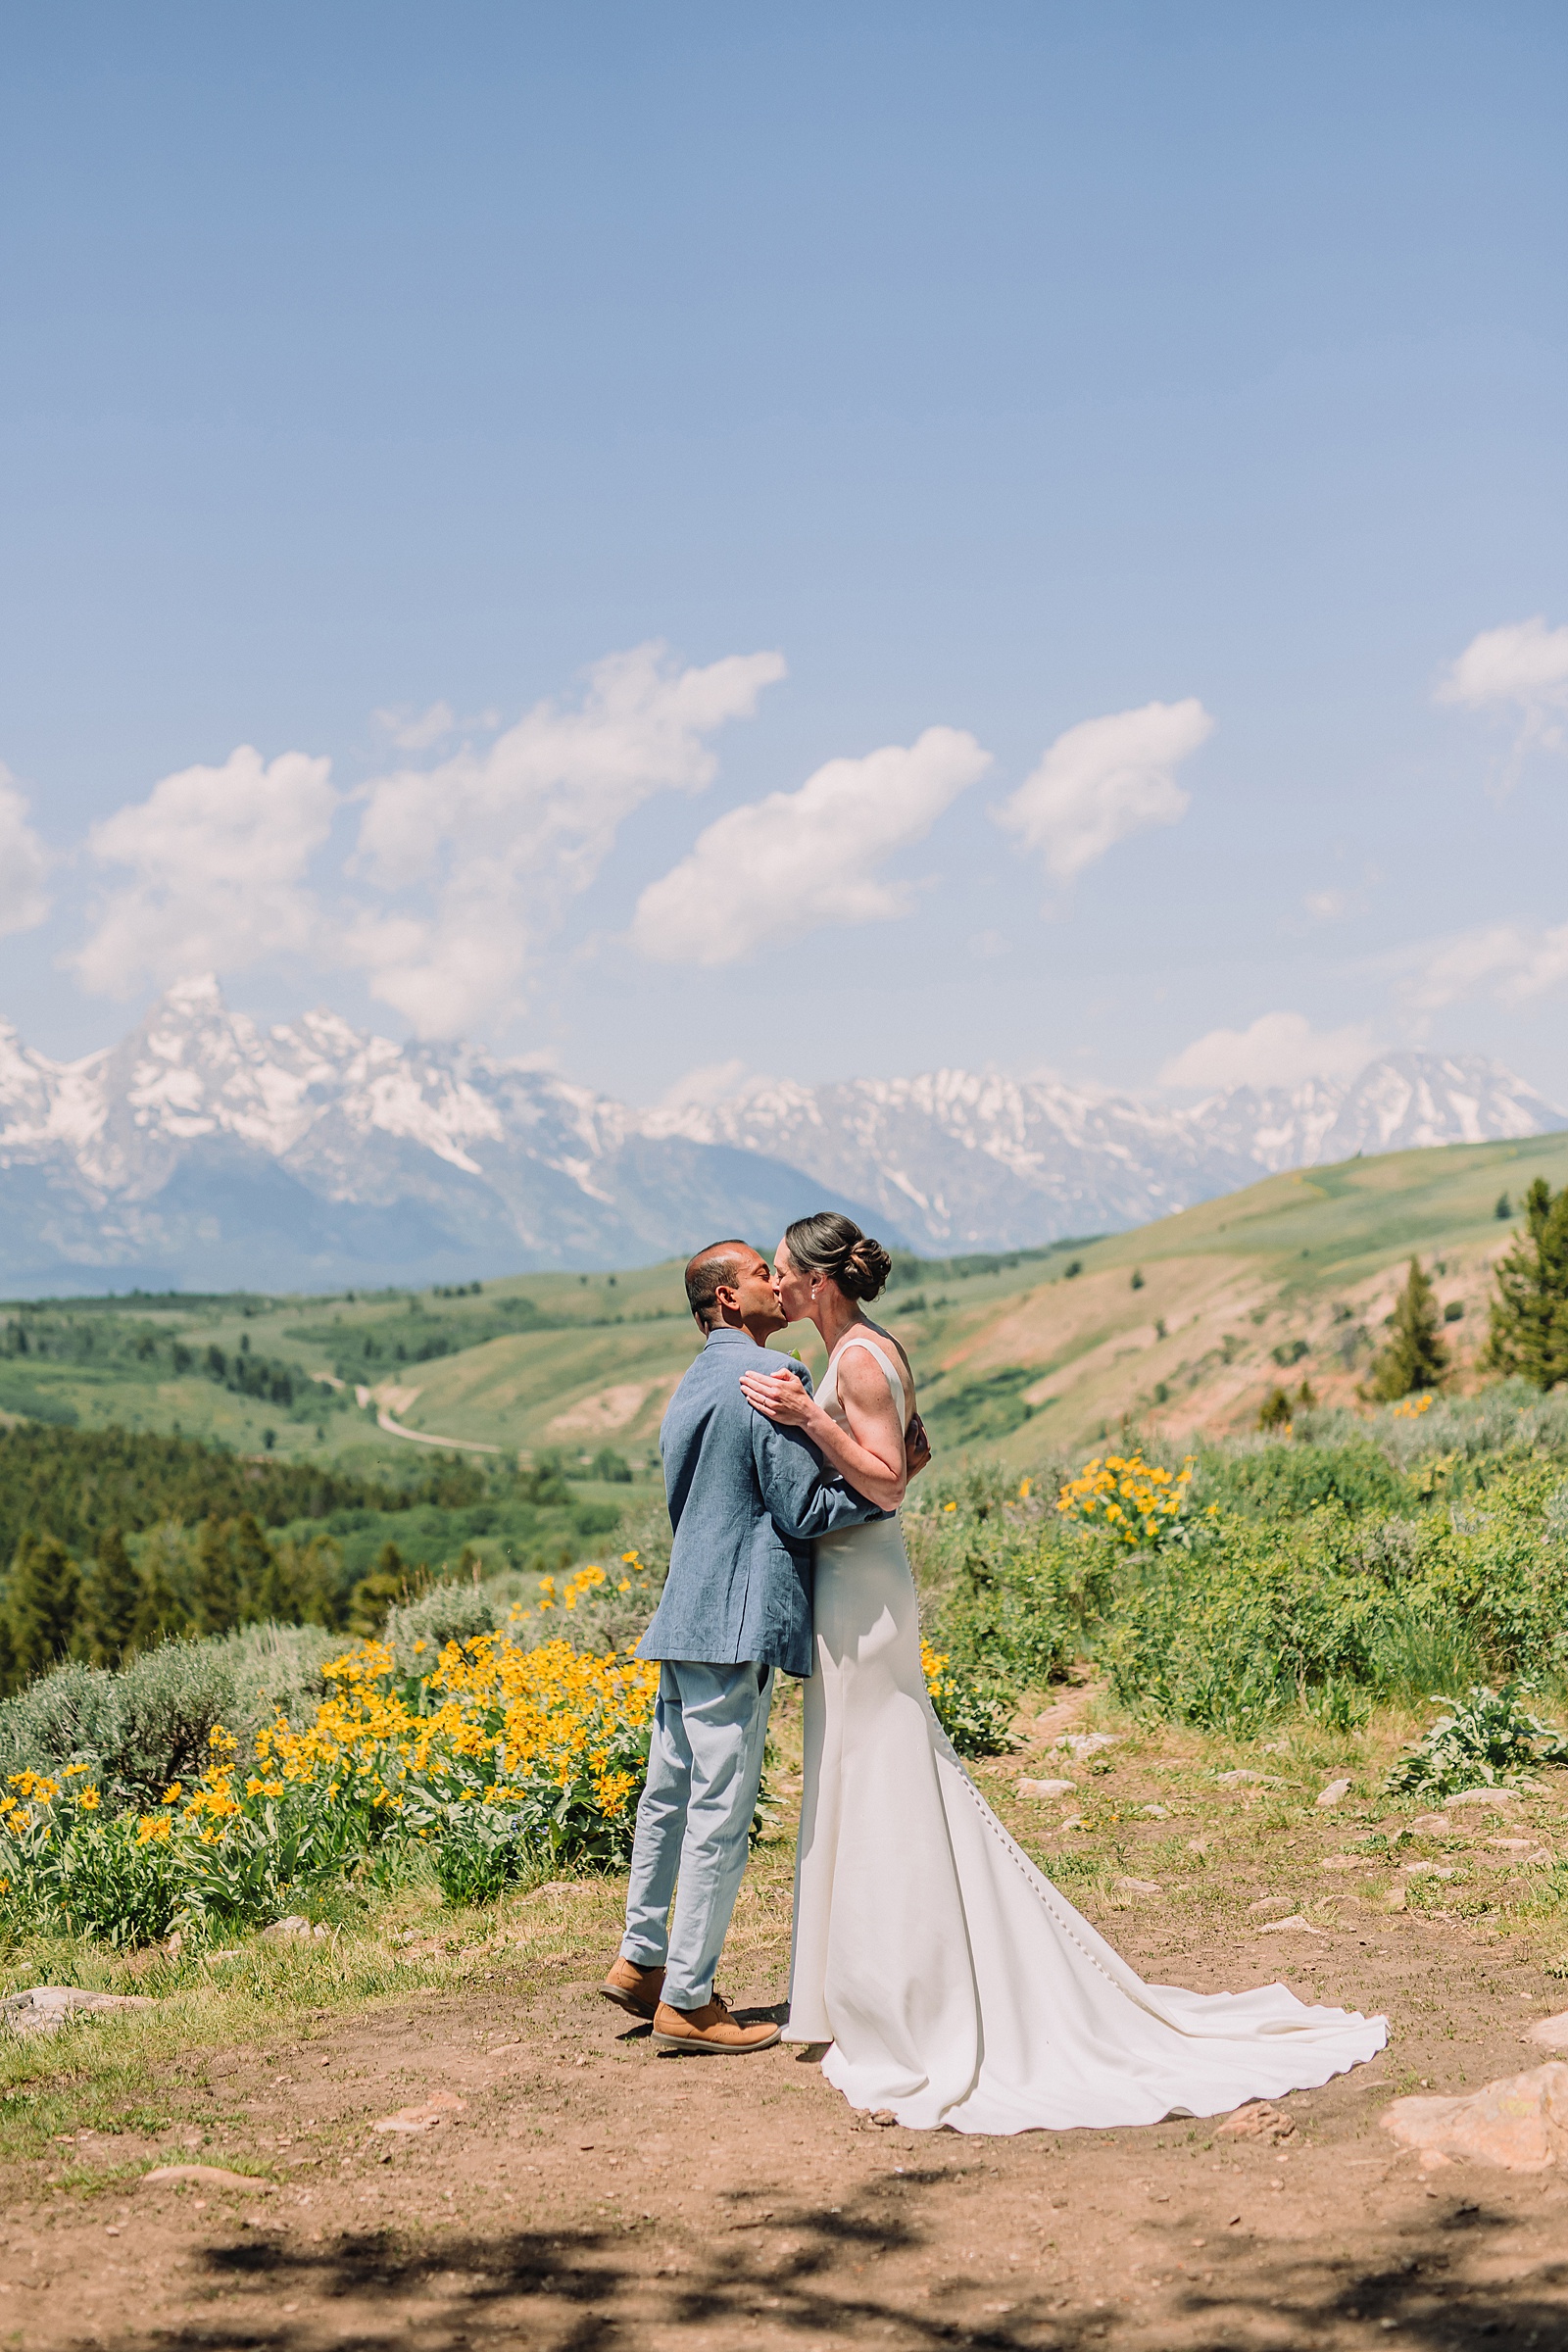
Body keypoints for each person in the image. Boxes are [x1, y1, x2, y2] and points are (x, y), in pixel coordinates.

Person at [739, 1209, 1388, 2134]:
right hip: (855, 1577)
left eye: (782, 1271)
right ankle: (877, 1980)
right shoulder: (865, 1350)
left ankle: (913, 1994)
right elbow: (912, 1458)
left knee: (884, 1764)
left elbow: (886, 1480)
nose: (774, 1282)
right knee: (867, 1763)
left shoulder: (853, 1363)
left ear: (820, 1281)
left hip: (865, 1583)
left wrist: (807, 1420)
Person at [600, 1237, 914, 2055]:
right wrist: (886, 1485)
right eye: (757, 1274)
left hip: (683, 1615)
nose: (775, 1284)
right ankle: (692, 2000)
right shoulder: (771, 1382)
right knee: (720, 1808)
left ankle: (642, 1960)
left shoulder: (693, 1381)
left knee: (666, 1794)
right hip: (737, 1620)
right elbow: (804, 1509)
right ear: (730, 1300)